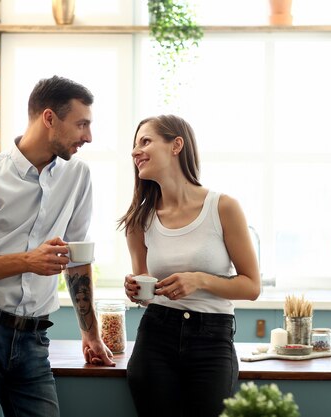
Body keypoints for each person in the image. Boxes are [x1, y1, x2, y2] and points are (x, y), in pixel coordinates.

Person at [0, 75, 115, 417]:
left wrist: (91, 334)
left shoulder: (77, 177)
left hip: (34, 339)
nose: (88, 137)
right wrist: (28, 261)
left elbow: (78, 260)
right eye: (81, 124)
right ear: (49, 118)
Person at [118, 114, 261, 417]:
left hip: (212, 338)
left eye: (145, 141)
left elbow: (251, 286)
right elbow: (146, 288)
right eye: (134, 145)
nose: (135, 151)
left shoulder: (223, 207)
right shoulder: (139, 220)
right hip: (156, 335)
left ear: (176, 145)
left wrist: (199, 280)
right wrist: (136, 288)